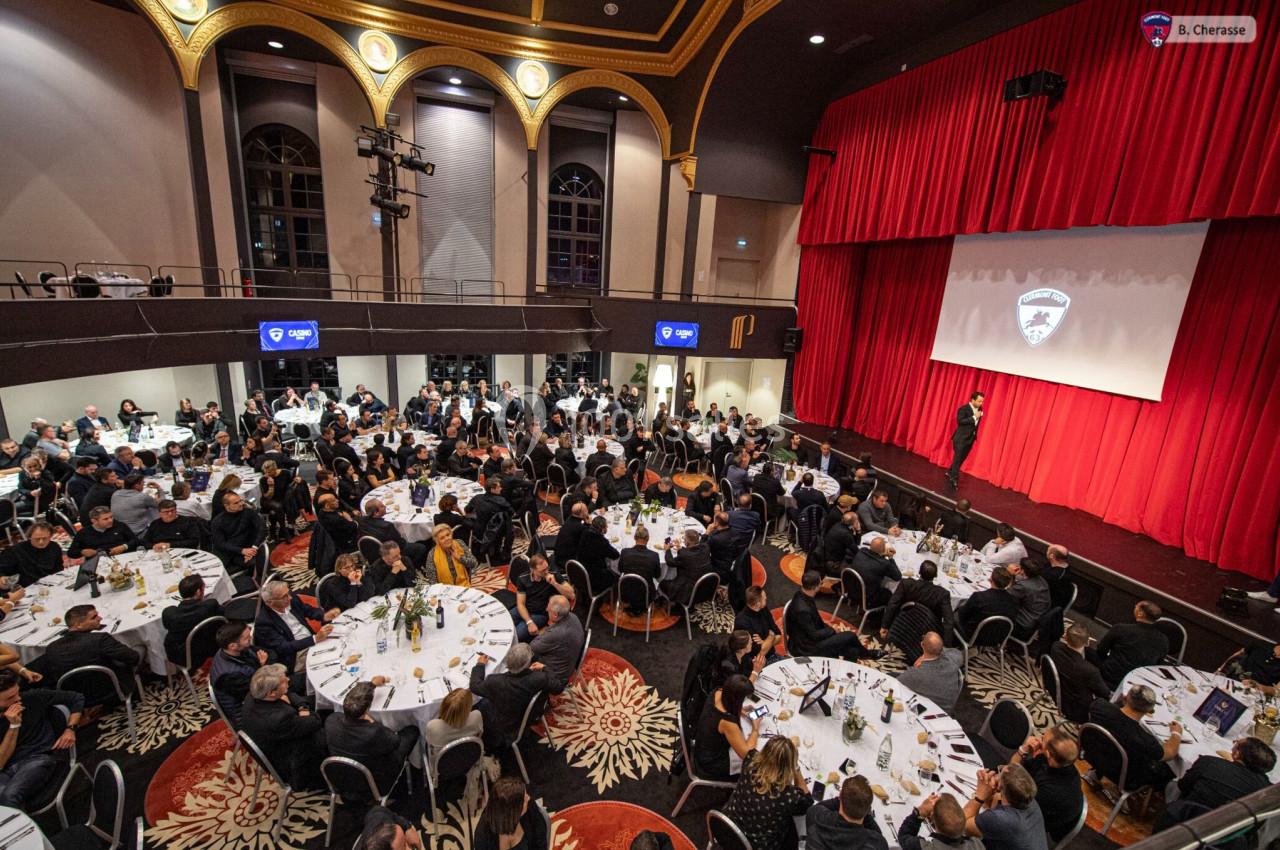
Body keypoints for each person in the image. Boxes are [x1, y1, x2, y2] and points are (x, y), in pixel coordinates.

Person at [0, 668, 84, 810]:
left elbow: (76, 698)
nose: (18, 699)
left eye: (17, 693)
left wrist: (70, 729)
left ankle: (25, 832)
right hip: (7, 767)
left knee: (9, 796)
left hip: (38, 758)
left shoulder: (31, 698)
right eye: (10, 698)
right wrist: (13, 726)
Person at [31, 604, 141, 707]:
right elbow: (133, 658)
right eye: (94, 617)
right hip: (111, 690)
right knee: (140, 649)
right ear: (78, 625)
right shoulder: (100, 639)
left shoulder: (52, 647)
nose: (100, 618)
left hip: (74, 697)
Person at [1155, 737, 1275, 831]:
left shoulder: (1209, 763)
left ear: (1237, 754)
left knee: (1173, 784)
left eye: (1236, 744)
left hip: (1186, 820)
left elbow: (1183, 786)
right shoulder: (1268, 791)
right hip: (1225, 836)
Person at [324, 681, 419, 794]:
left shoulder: (331, 720)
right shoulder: (374, 732)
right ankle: (417, 766)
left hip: (341, 776)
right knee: (412, 731)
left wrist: (372, 684)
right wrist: (373, 722)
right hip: (374, 783)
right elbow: (395, 741)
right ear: (367, 709)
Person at [240, 664, 324, 789]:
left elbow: (288, 693)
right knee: (331, 726)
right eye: (284, 681)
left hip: (278, 738)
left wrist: (302, 706)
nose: (288, 680)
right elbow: (315, 721)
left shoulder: (253, 695)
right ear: (272, 693)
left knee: (314, 700)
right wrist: (304, 712)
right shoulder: (279, 719)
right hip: (293, 762)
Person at [722, 736, 812, 850]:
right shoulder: (788, 796)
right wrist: (796, 768)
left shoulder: (750, 759)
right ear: (787, 767)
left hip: (727, 824)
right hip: (756, 845)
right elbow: (808, 801)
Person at [469, 643, 563, 753]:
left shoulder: (495, 682)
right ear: (528, 663)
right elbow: (558, 688)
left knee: (479, 704)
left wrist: (480, 665)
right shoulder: (539, 678)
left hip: (505, 725)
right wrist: (545, 668)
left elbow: (475, 686)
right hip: (533, 714)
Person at [1088, 684, 1180, 792]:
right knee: (1168, 771)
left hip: (1091, 753)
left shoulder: (1099, 706)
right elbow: (1169, 753)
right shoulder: (1145, 741)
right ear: (1150, 710)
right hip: (1123, 776)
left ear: (1125, 698)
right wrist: (1176, 733)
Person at [1009, 725, 1084, 843]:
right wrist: (1027, 751)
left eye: (1043, 739)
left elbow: (1010, 772)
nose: (1038, 739)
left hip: (1031, 827)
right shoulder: (1061, 763)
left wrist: (1022, 751)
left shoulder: (1051, 791)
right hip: (1031, 809)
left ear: (1049, 754)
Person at [786, 571, 872, 661]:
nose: (822, 585)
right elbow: (814, 635)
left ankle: (861, 656)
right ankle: (866, 654)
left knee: (852, 651)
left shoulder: (800, 594)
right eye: (821, 583)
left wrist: (828, 631)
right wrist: (832, 631)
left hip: (807, 638)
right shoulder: (803, 610)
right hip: (806, 648)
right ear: (814, 588)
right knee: (850, 636)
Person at [254, 580, 337, 672]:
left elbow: (309, 611)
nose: (289, 597)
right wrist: (314, 639)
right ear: (270, 602)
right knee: (331, 663)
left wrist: (325, 615)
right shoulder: (264, 623)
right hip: (296, 655)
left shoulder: (291, 599)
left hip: (312, 641)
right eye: (284, 596)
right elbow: (284, 647)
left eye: (288, 593)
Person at [962, 763, 1046, 850]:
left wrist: (979, 796)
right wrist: (990, 790)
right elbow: (992, 803)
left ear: (1000, 787)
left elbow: (962, 827)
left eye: (999, 771)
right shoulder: (1028, 797)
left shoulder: (1002, 819)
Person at [1088, 600, 1170, 688]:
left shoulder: (1120, 629)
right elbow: (1156, 665)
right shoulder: (1164, 640)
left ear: (1140, 614)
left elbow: (1101, 651)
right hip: (1137, 681)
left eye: (1136, 606)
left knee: (1085, 649)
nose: (1134, 607)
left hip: (1110, 675)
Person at [695, 674, 759, 780]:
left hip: (703, 747)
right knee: (758, 762)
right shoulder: (727, 722)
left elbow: (728, 703)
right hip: (712, 762)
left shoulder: (718, 692)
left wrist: (740, 710)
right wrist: (755, 729)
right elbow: (747, 754)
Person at [881, 561, 955, 648]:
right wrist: (946, 647)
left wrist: (884, 626)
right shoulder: (942, 594)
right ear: (935, 576)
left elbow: (893, 604)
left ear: (919, 573)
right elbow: (949, 621)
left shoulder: (906, 584)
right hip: (927, 630)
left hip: (903, 624)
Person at [806, 774, 890, 850]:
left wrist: (842, 798)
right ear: (869, 809)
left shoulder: (817, 817)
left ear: (839, 796)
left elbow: (816, 808)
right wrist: (864, 805)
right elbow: (878, 835)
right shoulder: (876, 843)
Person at [209, 620, 267, 726]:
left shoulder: (235, 649)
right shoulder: (228, 676)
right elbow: (257, 691)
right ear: (233, 646)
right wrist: (262, 667)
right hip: (246, 711)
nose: (250, 638)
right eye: (247, 638)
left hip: (255, 688)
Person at [1050, 623, 1111, 723]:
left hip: (1055, 690)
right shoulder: (1090, 671)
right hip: (1076, 710)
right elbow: (1105, 694)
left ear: (1065, 637)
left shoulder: (1055, 647)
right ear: (1087, 643)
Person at [161, 574, 224, 666]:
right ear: (198, 592)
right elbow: (223, 615)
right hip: (211, 647)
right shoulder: (210, 606)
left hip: (184, 656)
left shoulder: (170, 614)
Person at [512, 553, 575, 642]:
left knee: (517, 634)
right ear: (532, 570)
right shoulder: (523, 578)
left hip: (540, 614)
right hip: (524, 609)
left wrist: (555, 583)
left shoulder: (553, 575)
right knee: (504, 620)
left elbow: (571, 595)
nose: (546, 572)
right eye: (542, 570)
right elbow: (520, 604)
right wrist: (529, 622)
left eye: (547, 568)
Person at [474, 775, 548, 850]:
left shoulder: (530, 808)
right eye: (524, 800)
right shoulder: (483, 835)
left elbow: (541, 843)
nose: (528, 798)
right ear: (514, 811)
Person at [896, 632, 964, 711]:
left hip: (925, 712)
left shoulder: (916, 674)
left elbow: (896, 682)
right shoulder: (953, 660)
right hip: (945, 710)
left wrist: (916, 664)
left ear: (922, 645)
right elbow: (958, 653)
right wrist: (935, 650)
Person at [955, 566, 1019, 641]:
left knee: (953, 612)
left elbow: (962, 614)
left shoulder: (979, 597)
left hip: (974, 635)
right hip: (999, 637)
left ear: (990, 579)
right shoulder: (1014, 600)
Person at [530, 595, 584, 684]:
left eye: (549, 607)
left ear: (555, 615)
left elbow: (533, 646)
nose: (546, 609)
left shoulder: (556, 634)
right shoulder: (573, 617)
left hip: (556, 674)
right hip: (569, 661)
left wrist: (543, 633)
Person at [210, 493, 266, 577]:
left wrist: (253, 548)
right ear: (226, 506)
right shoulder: (217, 521)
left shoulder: (248, 512)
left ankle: (253, 581)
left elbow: (262, 529)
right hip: (228, 550)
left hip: (247, 547)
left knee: (253, 564)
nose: (241, 504)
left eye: (240, 501)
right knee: (214, 572)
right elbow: (220, 543)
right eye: (236, 503)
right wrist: (241, 550)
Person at [897, 793, 978, 850]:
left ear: (931, 817)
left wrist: (919, 813)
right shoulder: (976, 844)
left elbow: (904, 837)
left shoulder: (925, 847)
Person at [0, 521, 63, 587]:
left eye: (45, 538)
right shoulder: (14, 551)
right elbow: (2, 569)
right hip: (25, 587)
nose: (41, 542)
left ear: (50, 536)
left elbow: (59, 568)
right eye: (37, 539)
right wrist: (1, 577)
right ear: (29, 537)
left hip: (50, 583)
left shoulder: (54, 547)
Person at [660, 528, 713, 602]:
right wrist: (680, 549)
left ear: (687, 542)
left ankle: (668, 602)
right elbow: (691, 552)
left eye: (684, 539)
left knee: (661, 583)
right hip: (704, 586)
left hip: (687, 590)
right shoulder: (706, 547)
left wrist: (667, 550)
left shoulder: (685, 554)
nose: (684, 541)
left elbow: (670, 562)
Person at [67, 506, 140, 559]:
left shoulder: (120, 526)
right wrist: (82, 551)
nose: (110, 520)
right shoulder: (84, 533)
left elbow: (135, 540)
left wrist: (124, 547)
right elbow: (71, 552)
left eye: (111, 517)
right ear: (94, 521)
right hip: (98, 563)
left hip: (123, 558)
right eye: (106, 519)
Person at [734, 585, 781, 665]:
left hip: (772, 656)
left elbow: (779, 636)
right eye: (764, 598)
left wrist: (764, 642)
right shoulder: (742, 622)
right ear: (758, 604)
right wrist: (771, 636)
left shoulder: (763, 609)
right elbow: (760, 652)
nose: (766, 598)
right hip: (757, 663)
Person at [946, 391, 983, 490]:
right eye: (979, 401)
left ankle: (950, 471)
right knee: (958, 459)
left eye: (982, 402)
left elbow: (975, 425)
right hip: (960, 439)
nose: (981, 404)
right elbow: (960, 421)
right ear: (973, 400)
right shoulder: (963, 409)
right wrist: (975, 417)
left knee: (961, 459)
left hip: (970, 439)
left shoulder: (980, 409)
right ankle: (954, 479)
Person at [1006, 556, 1051, 638]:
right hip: (1035, 620)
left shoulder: (1023, 586)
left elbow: (1005, 595)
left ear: (1022, 570)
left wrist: (1010, 575)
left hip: (1021, 625)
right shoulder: (1042, 580)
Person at [851, 537, 901, 608]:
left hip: (851, 589)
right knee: (889, 593)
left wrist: (882, 554)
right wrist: (890, 558)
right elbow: (898, 577)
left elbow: (874, 557)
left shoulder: (861, 551)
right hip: (868, 597)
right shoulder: (884, 564)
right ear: (883, 549)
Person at [823, 512, 862, 576]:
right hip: (835, 565)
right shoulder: (845, 534)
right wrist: (858, 530)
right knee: (860, 569)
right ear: (853, 522)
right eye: (857, 520)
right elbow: (856, 550)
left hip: (833, 557)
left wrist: (856, 531)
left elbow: (855, 543)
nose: (858, 521)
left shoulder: (839, 525)